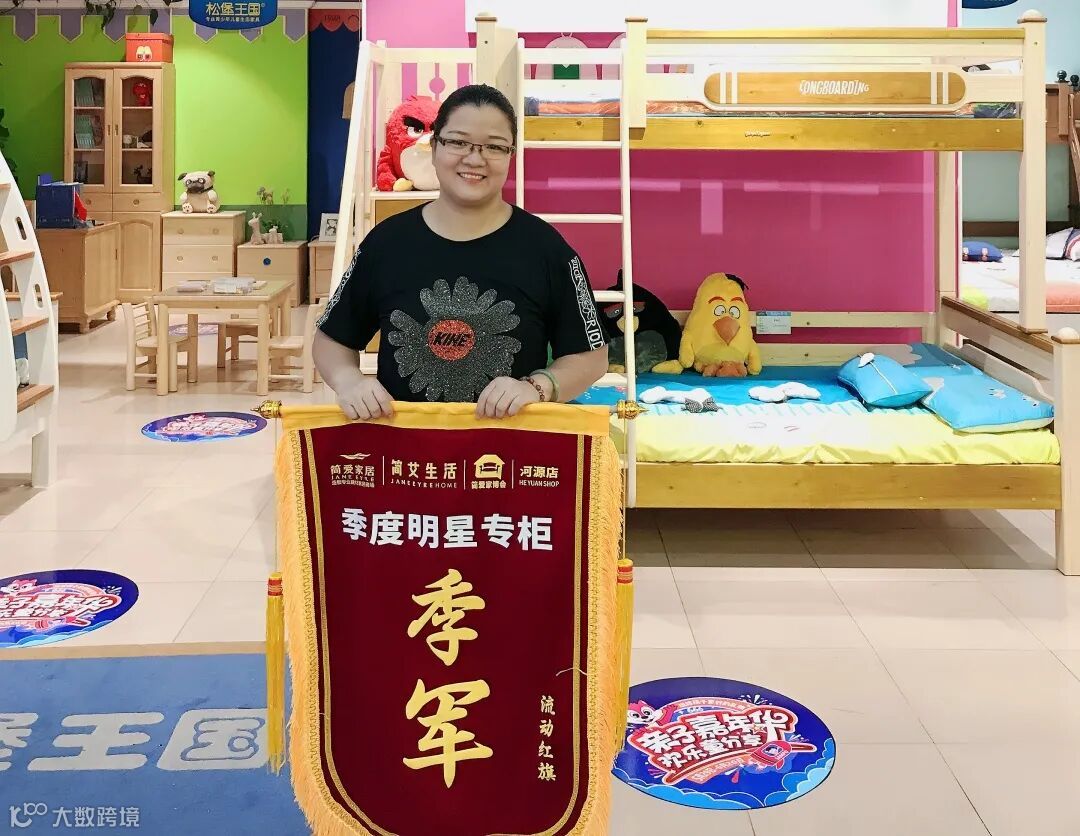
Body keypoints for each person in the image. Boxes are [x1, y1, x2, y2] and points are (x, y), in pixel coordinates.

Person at [313, 83, 609, 420]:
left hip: (510, 449)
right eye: (457, 142)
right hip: (404, 447)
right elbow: (331, 340)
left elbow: (591, 357)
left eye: (494, 146)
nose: (474, 158)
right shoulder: (386, 243)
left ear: (511, 155)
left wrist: (536, 387)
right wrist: (349, 381)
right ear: (434, 147)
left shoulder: (547, 249)